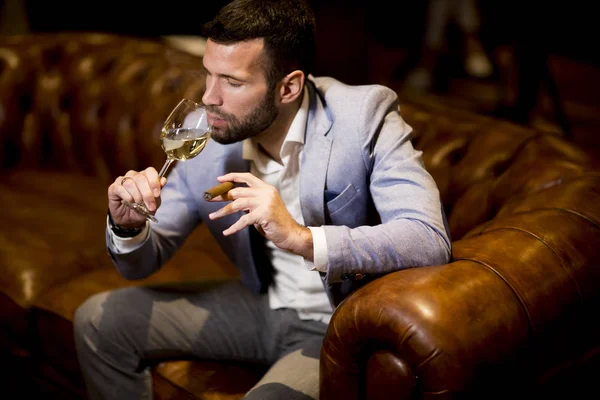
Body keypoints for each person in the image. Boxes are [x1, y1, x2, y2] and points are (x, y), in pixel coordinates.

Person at [73, 0, 452, 399]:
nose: (209, 98)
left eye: (232, 82)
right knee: (97, 321)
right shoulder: (205, 137)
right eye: (208, 74)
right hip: (260, 305)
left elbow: (428, 238)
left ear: (288, 86)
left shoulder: (363, 116)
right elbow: (142, 262)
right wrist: (127, 225)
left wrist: (303, 238)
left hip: (336, 322)